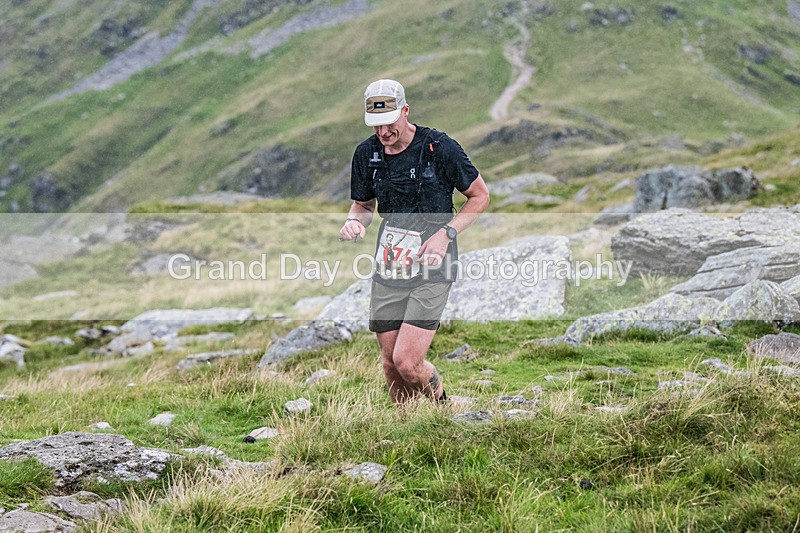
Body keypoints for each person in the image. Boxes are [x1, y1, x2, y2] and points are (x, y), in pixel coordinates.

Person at [339, 79, 490, 407]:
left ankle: (442, 406)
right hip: (390, 263)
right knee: (390, 361)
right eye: (376, 125)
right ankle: (404, 426)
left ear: (405, 111)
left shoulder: (440, 148)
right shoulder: (367, 154)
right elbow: (364, 207)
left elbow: (479, 197)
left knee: (408, 361)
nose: (383, 132)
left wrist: (445, 234)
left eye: (389, 123)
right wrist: (354, 222)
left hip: (434, 265)